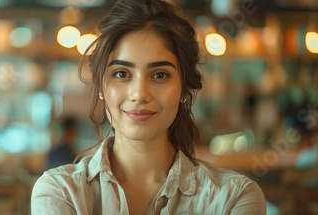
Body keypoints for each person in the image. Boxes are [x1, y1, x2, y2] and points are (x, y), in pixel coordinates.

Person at [31, 0, 266, 214]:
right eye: (122, 73)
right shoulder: (60, 192)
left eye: (160, 75)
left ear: (184, 88)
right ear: (101, 87)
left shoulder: (234, 197)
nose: (140, 94)